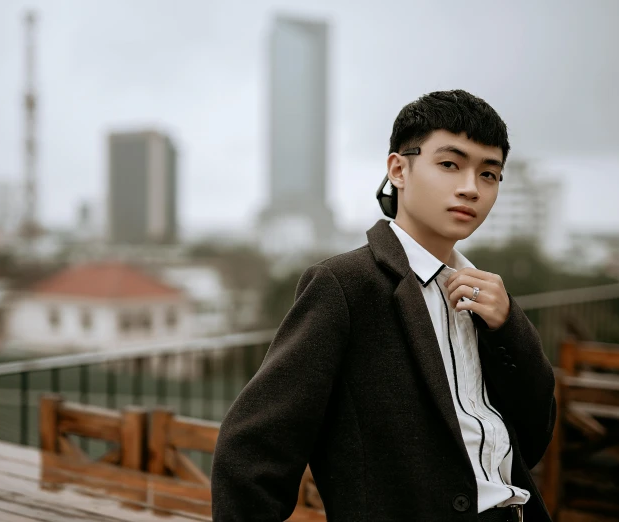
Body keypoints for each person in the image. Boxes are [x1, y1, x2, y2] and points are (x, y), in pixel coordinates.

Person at [211, 90, 556, 522]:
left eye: (489, 174)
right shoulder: (345, 286)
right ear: (399, 169)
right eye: (450, 164)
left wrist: (509, 327)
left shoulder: (486, 297)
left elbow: (533, 437)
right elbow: (251, 450)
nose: (470, 188)